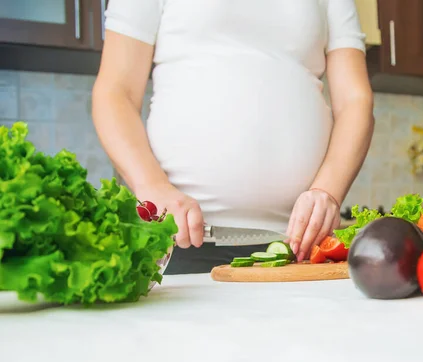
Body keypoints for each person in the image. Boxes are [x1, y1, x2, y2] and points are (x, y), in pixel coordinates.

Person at [91, 0, 374, 274]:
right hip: (178, 242)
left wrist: (327, 192)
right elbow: (116, 92)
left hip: (296, 248)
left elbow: (355, 101)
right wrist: (152, 186)